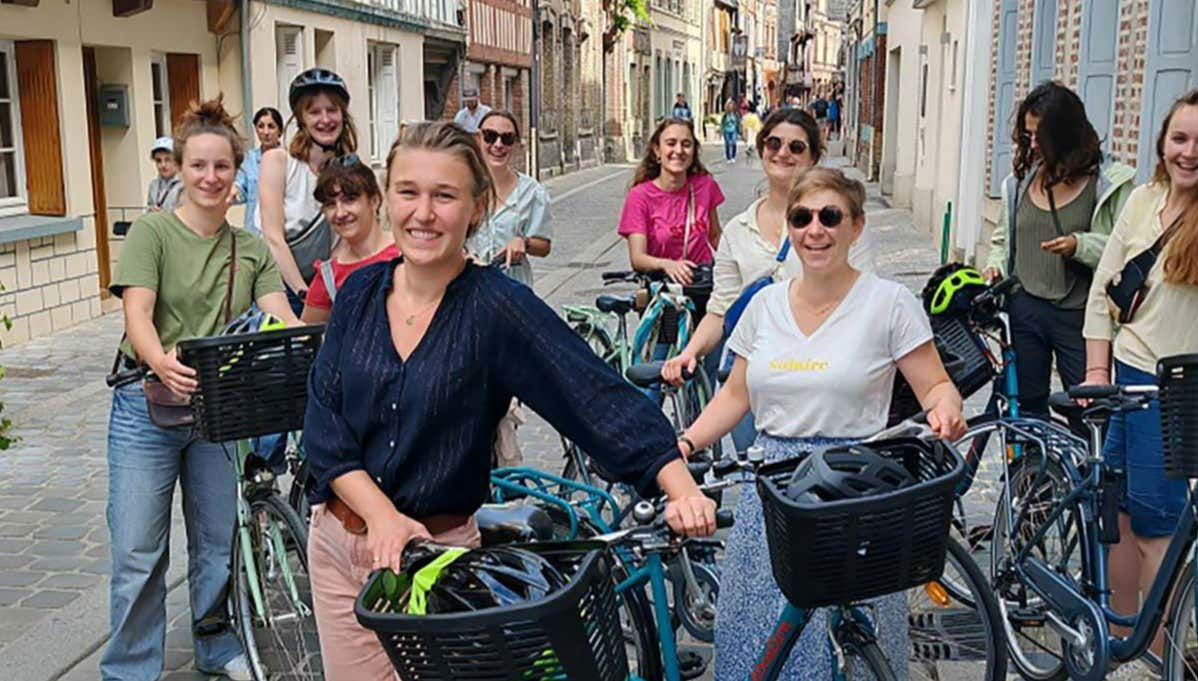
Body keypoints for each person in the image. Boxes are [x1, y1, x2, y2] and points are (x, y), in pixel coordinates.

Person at [302, 120, 717, 680]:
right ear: (387, 200)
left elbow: (590, 392)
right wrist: (382, 519)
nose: (423, 213)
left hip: (437, 559)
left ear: (475, 209)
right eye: (408, 192)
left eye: (443, 196)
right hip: (339, 547)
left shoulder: (495, 308)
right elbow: (324, 430)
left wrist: (680, 486)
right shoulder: (358, 294)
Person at [672, 167, 964, 679]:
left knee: (855, 632)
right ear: (790, 228)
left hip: (857, 486)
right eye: (802, 218)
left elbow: (935, 385)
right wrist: (688, 442)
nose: (815, 230)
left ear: (855, 226)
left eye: (830, 217)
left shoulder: (888, 303)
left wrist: (945, 406)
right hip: (774, 487)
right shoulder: (764, 305)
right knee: (760, 627)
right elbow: (736, 394)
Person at [102, 97, 300, 681]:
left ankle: (214, 645)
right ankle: (130, 669)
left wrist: (309, 346)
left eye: (221, 167)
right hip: (147, 405)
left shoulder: (251, 248)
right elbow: (136, 312)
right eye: (198, 166)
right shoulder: (154, 231)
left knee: (217, 541)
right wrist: (160, 360)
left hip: (218, 409)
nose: (210, 178)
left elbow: (279, 317)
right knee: (138, 552)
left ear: (235, 173)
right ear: (181, 170)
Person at [662, 109, 877, 451]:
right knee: (757, 472)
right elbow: (721, 310)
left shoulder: (837, 226)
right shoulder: (738, 230)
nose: (783, 153)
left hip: (822, 378)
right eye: (774, 143)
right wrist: (689, 352)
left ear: (813, 157)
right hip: (755, 375)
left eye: (796, 147)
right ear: (761, 149)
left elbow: (865, 298)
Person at [1083, 89, 1198, 672]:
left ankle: (1161, 657)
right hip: (1123, 374)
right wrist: (1097, 371)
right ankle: (1120, 639)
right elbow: (1104, 289)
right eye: (1181, 138)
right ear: (1163, 143)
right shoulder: (1141, 201)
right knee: (1118, 513)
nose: (1190, 152)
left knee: (1160, 523)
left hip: (1175, 389)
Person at [984, 81, 1136, 430]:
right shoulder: (1019, 182)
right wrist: (994, 266)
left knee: (1089, 413)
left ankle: (1087, 480)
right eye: (1028, 136)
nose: (1033, 145)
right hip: (1026, 309)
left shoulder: (1108, 183)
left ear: (1065, 134)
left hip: (1079, 316)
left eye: (1041, 136)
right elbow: (1003, 239)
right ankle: (1032, 479)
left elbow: (1124, 248)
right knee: (1025, 409)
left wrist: (1078, 246)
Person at [259, 68, 359, 316]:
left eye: (332, 110)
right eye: (314, 112)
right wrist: (305, 293)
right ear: (301, 119)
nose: (325, 119)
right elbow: (273, 238)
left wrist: (325, 293)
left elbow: (346, 239)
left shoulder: (348, 168)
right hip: (284, 288)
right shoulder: (279, 162)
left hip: (327, 287)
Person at [299, 155, 398, 325]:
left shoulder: (407, 253)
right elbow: (308, 338)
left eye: (349, 200)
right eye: (331, 204)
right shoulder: (328, 277)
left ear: (374, 201)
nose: (340, 213)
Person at [466, 110, 552, 287]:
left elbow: (544, 246)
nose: (498, 145)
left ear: (515, 144)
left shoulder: (532, 192)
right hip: (467, 284)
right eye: (490, 136)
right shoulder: (463, 187)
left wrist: (524, 242)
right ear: (478, 139)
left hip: (512, 287)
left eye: (507, 139)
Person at [233, 107, 283, 234]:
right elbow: (240, 189)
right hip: (254, 233)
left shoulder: (289, 160)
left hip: (282, 232)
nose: (266, 132)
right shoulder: (248, 159)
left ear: (280, 131)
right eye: (261, 126)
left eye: (271, 126)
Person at [145, 136, 182, 212]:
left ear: (176, 160)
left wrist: (165, 216)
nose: (163, 165)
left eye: (168, 159)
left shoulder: (185, 185)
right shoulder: (153, 185)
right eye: (158, 161)